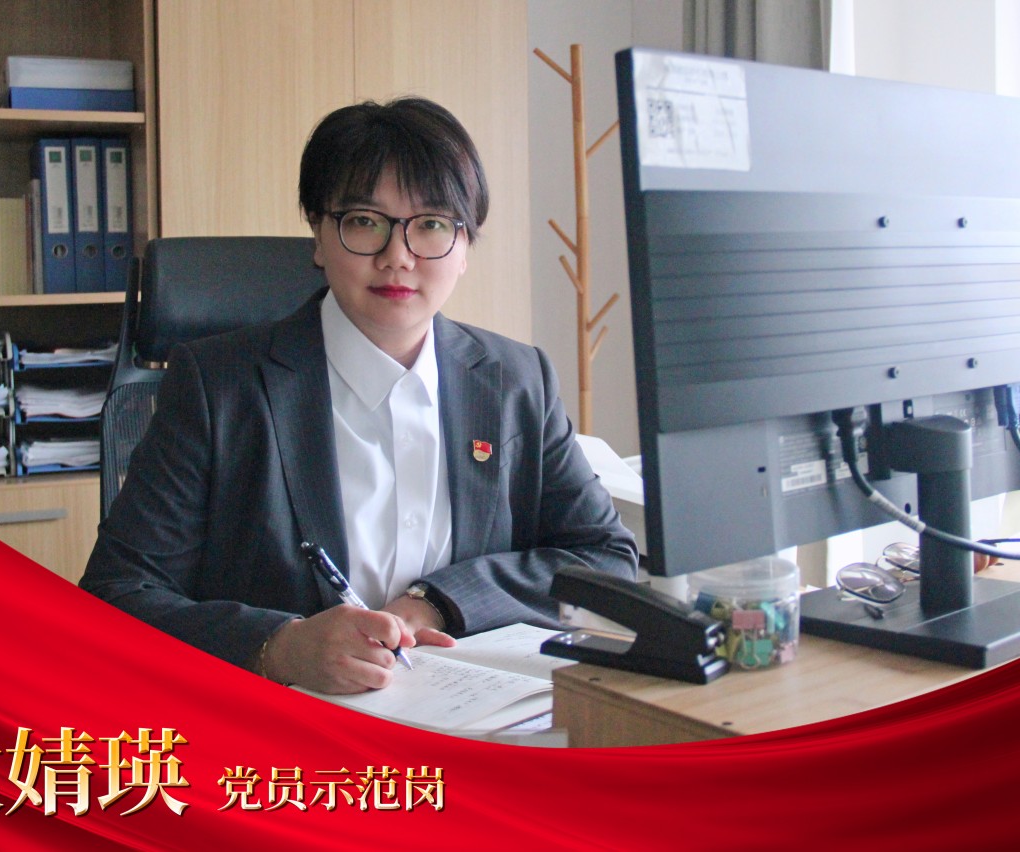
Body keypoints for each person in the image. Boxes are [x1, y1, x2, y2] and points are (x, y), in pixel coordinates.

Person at [80, 96, 638, 695]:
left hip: (472, 719)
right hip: (283, 726)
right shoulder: (219, 386)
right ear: (319, 236)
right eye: (366, 222)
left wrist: (438, 602)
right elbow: (115, 595)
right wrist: (277, 647)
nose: (397, 257)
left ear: (465, 247)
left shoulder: (516, 380)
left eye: (431, 225)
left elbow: (604, 557)